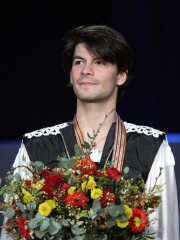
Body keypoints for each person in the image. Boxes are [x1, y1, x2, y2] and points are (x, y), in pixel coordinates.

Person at [1, 25, 179, 240]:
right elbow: (13, 233)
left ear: (121, 76)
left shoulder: (149, 145)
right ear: (71, 75)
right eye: (79, 62)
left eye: (100, 62)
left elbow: (165, 232)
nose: (86, 70)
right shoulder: (36, 145)